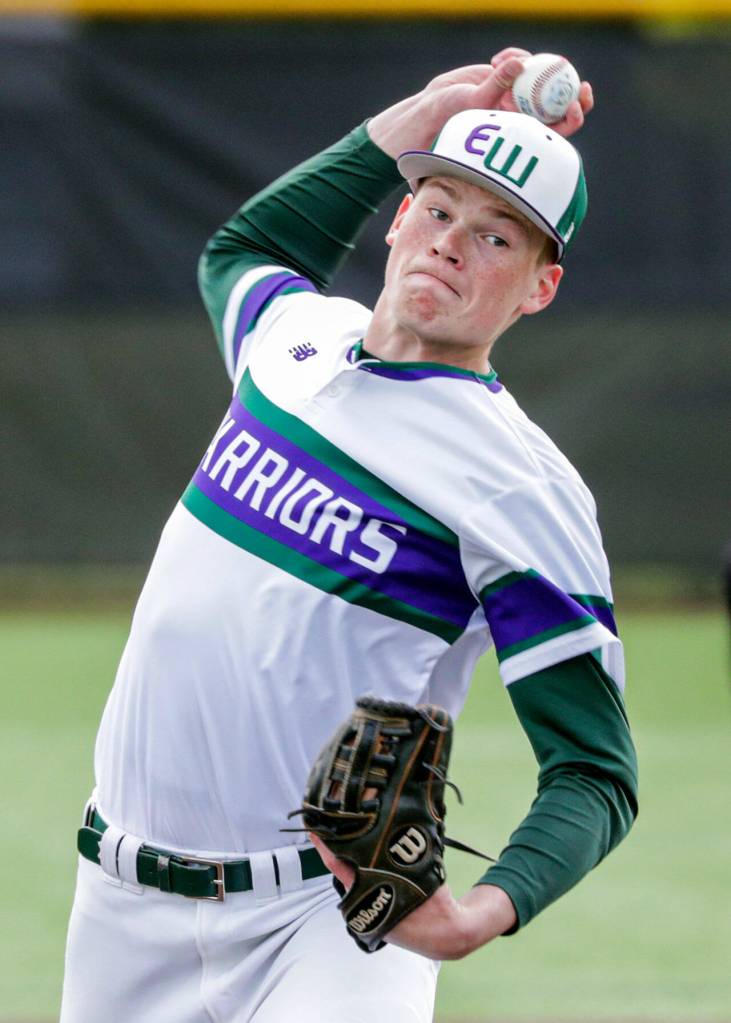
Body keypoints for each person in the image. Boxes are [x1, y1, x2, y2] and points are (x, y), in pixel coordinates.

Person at [60, 49, 638, 1022]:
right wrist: (416, 114)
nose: (454, 243)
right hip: (117, 904)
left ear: (539, 288)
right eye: (439, 209)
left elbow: (593, 771)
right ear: (398, 219)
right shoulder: (291, 342)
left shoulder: (519, 486)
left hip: (324, 922)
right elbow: (244, 250)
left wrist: (485, 910)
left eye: (499, 238)